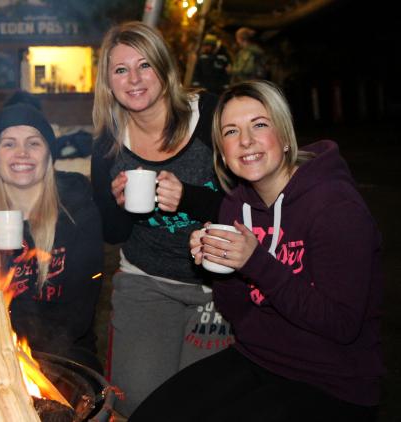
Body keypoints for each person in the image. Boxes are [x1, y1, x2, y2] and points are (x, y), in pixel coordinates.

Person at [130, 80, 383, 421]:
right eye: (231, 131)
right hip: (258, 358)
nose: (245, 141)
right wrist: (220, 265)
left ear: (284, 134)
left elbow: (341, 325)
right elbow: (237, 312)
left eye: (259, 125)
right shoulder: (235, 207)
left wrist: (256, 261)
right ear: (221, 150)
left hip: (333, 381)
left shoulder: (335, 206)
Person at [90, 21, 227, 416]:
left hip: (216, 288)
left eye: (144, 65)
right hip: (145, 283)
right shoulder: (107, 142)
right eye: (120, 70)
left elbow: (252, 204)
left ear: (165, 69)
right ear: (109, 82)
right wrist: (116, 203)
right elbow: (113, 233)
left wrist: (190, 198)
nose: (134, 79)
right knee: (140, 406)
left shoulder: (212, 116)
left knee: (202, 406)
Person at [0, 103, 104, 372]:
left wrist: (27, 359)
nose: (22, 153)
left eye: (34, 143)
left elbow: (78, 316)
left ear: (49, 155)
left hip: (65, 357)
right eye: (8, 144)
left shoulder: (78, 211)